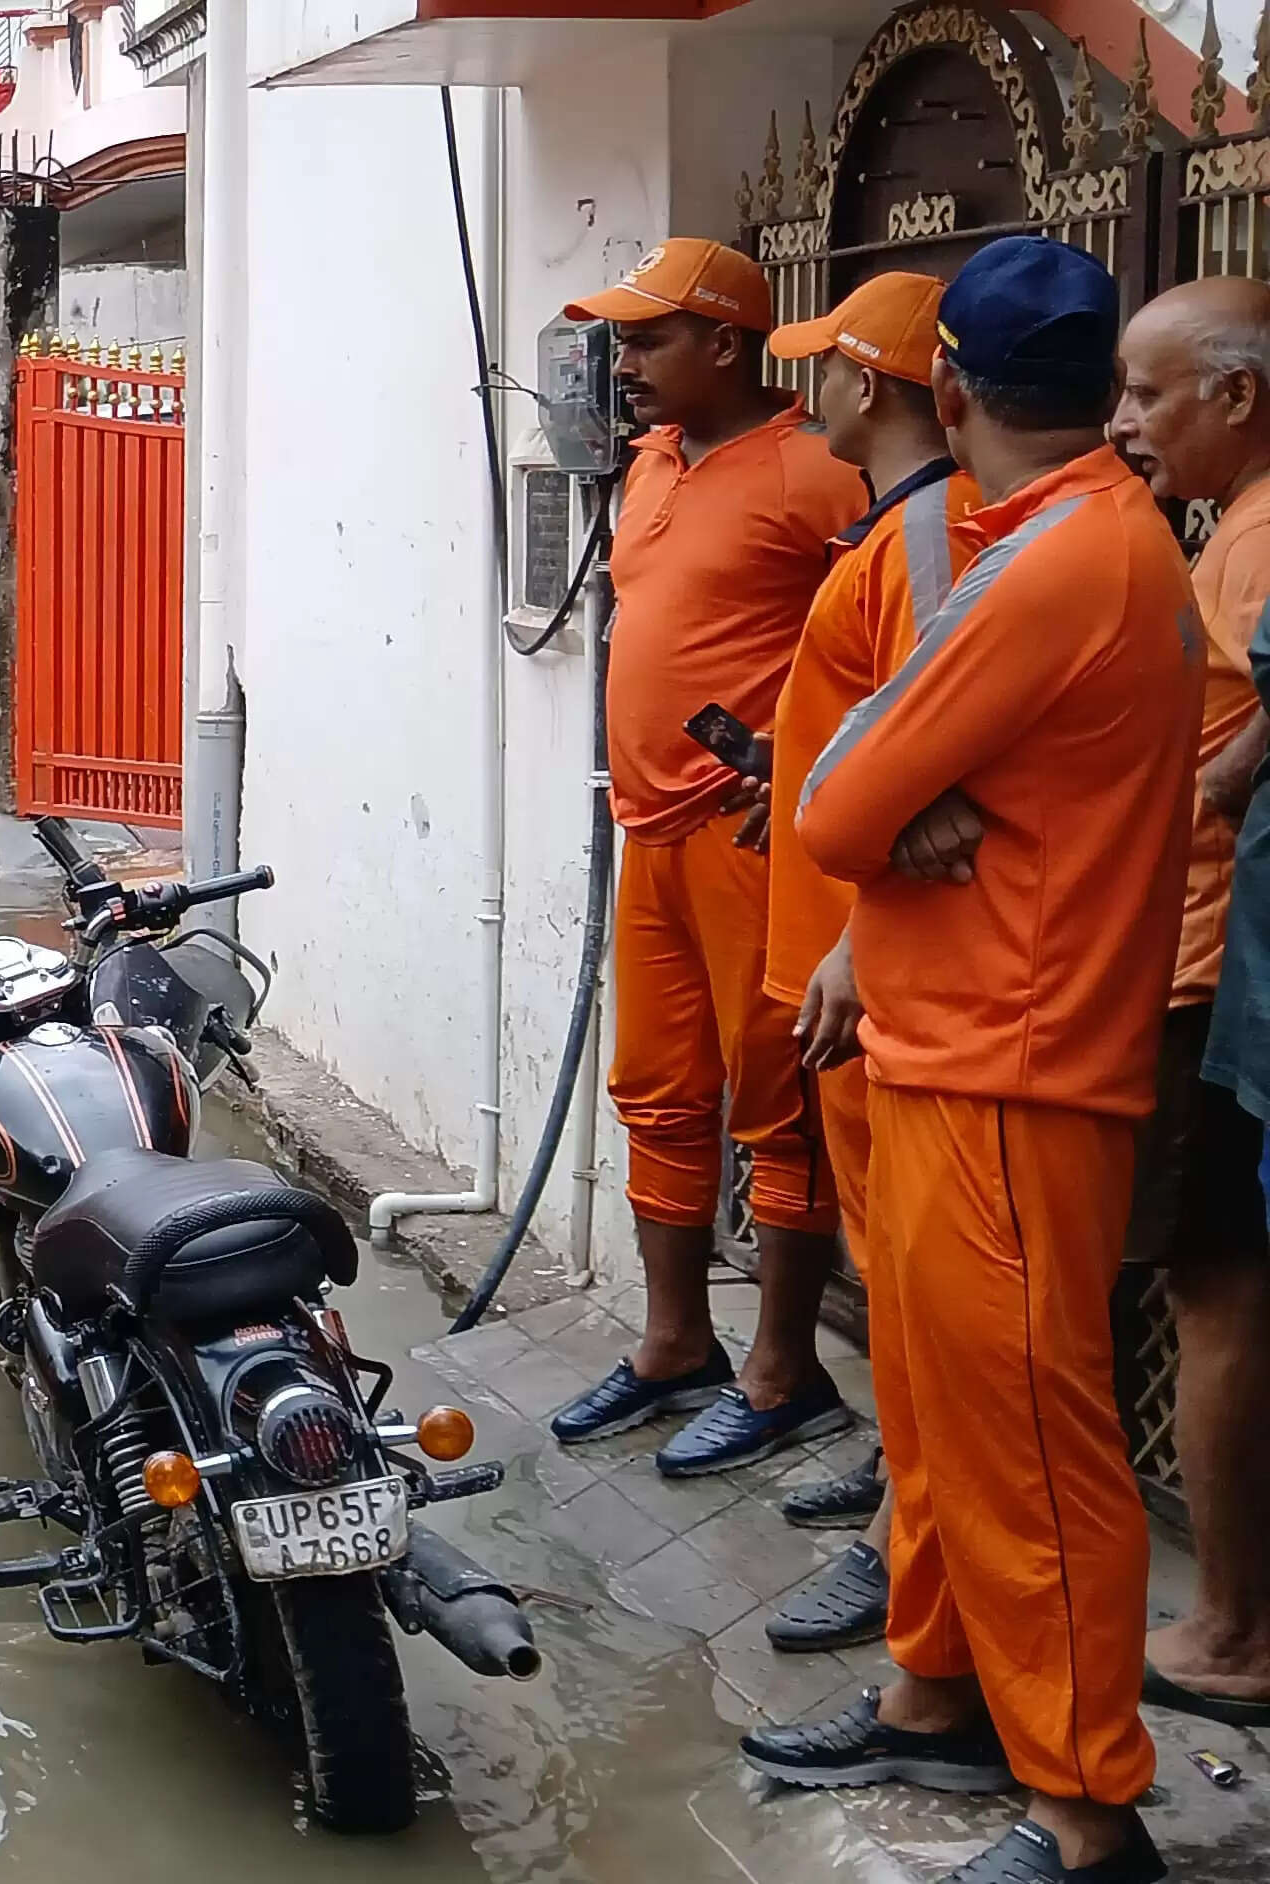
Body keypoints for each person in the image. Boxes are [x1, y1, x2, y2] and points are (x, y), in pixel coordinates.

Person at [752, 235, 1186, 1884]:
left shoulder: (1060, 561)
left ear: (948, 390)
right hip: (966, 1044)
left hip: (1015, 1059)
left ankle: (1086, 1809)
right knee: (939, 1418)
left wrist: (898, 811)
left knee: (1032, 1455)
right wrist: (910, 812)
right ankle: (933, 1695)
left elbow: (835, 805)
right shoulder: (1072, 537)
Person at [549, 236, 870, 1477]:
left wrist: (809, 760)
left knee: (779, 1104)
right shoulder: (651, 462)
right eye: (622, 341)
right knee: (658, 1091)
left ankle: (785, 1374)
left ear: (725, 342)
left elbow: (897, 633)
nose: (623, 363)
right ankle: (676, 1344)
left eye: (648, 339)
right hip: (651, 830)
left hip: (757, 839)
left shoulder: (815, 471)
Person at [753, 271, 972, 1656]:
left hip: (870, 971)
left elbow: (939, 767)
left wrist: (849, 942)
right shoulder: (888, 534)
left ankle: (911, 1544)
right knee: (887, 1269)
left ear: (867, 383)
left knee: (917, 1275)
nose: (806, 390)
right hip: (840, 963)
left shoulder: (929, 540)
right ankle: (900, 1477)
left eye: (819, 367)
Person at [1123, 273, 1270, 1732]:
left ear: (1237, 393)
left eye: (1150, 393)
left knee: (1213, 1287)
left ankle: (1234, 1628)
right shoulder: (1233, 528)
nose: (1129, 423)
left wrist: (1227, 775)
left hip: (1212, 969)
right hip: (1201, 957)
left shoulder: (1262, 533)